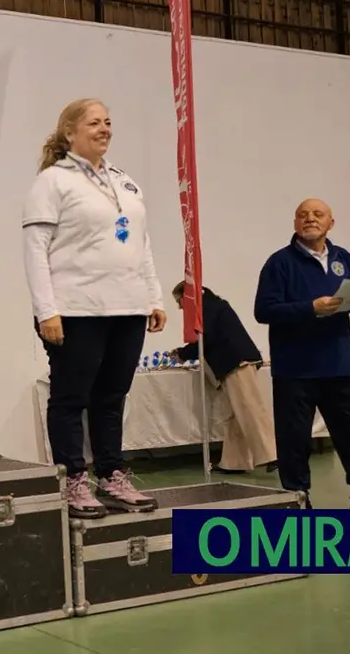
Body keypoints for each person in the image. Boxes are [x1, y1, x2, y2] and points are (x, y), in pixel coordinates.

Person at [21, 98, 164, 519]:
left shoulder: (125, 182)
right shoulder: (52, 182)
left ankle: (111, 475)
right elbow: (35, 249)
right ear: (69, 133)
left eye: (107, 122)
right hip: (76, 310)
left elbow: (142, 244)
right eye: (93, 123)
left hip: (127, 308)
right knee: (70, 397)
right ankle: (73, 481)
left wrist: (152, 297)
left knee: (112, 396)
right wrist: (47, 310)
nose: (104, 128)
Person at [254, 198, 350, 510]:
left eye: (318, 214)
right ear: (295, 224)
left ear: (331, 222)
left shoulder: (344, 258)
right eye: (302, 215)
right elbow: (263, 310)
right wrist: (309, 308)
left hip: (338, 364)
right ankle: (297, 499)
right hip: (294, 369)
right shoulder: (279, 263)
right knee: (294, 440)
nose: (310, 219)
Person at [169, 283, 277, 474]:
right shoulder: (213, 305)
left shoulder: (207, 308)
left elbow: (206, 339)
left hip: (236, 362)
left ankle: (273, 454)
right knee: (234, 415)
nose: (180, 308)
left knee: (250, 409)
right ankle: (234, 462)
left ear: (187, 297)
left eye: (180, 302)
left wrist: (183, 353)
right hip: (234, 362)